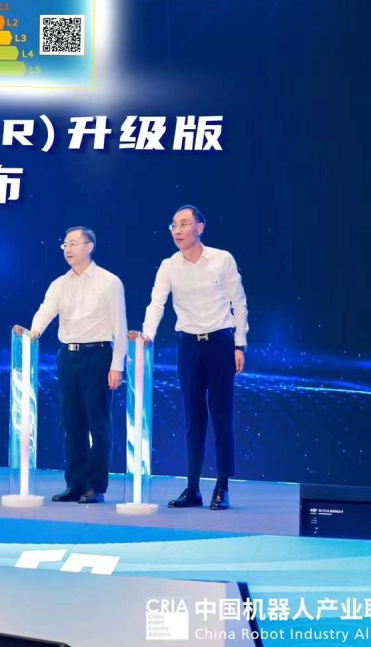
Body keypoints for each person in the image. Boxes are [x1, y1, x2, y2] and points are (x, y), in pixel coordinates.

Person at [132, 205, 248, 511]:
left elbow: (239, 303)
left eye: (184, 224)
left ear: (200, 227)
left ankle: (222, 487)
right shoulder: (169, 266)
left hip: (220, 343)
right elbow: (156, 303)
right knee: (193, 419)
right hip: (189, 347)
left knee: (221, 416)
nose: (178, 230)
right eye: (174, 225)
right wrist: (147, 335)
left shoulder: (222, 259)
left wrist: (240, 345)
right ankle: (193, 488)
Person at [17, 226, 127, 504]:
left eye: (73, 243)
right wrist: (33, 332)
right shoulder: (59, 284)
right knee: (71, 422)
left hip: (97, 356)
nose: (67, 248)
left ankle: (95, 486)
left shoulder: (109, 281)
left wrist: (117, 365)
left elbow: (120, 325)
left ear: (89, 246)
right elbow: (45, 311)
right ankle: (74, 483)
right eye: (65, 244)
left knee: (98, 423)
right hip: (68, 357)